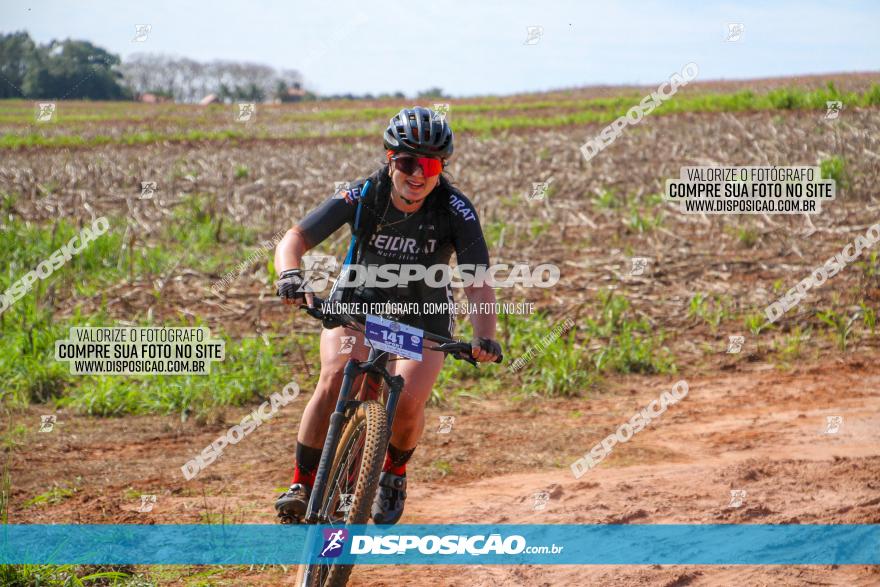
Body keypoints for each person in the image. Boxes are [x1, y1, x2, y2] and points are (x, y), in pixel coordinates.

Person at [273, 106, 502, 525]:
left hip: (422, 312)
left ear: (441, 168)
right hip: (359, 301)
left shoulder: (456, 210)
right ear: (388, 158)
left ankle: (394, 474)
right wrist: (290, 275)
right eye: (407, 162)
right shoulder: (363, 194)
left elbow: (478, 280)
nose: (418, 174)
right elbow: (295, 238)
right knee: (337, 377)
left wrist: (484, 335)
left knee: (410, 403)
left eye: (430, 165)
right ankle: (302, 482)